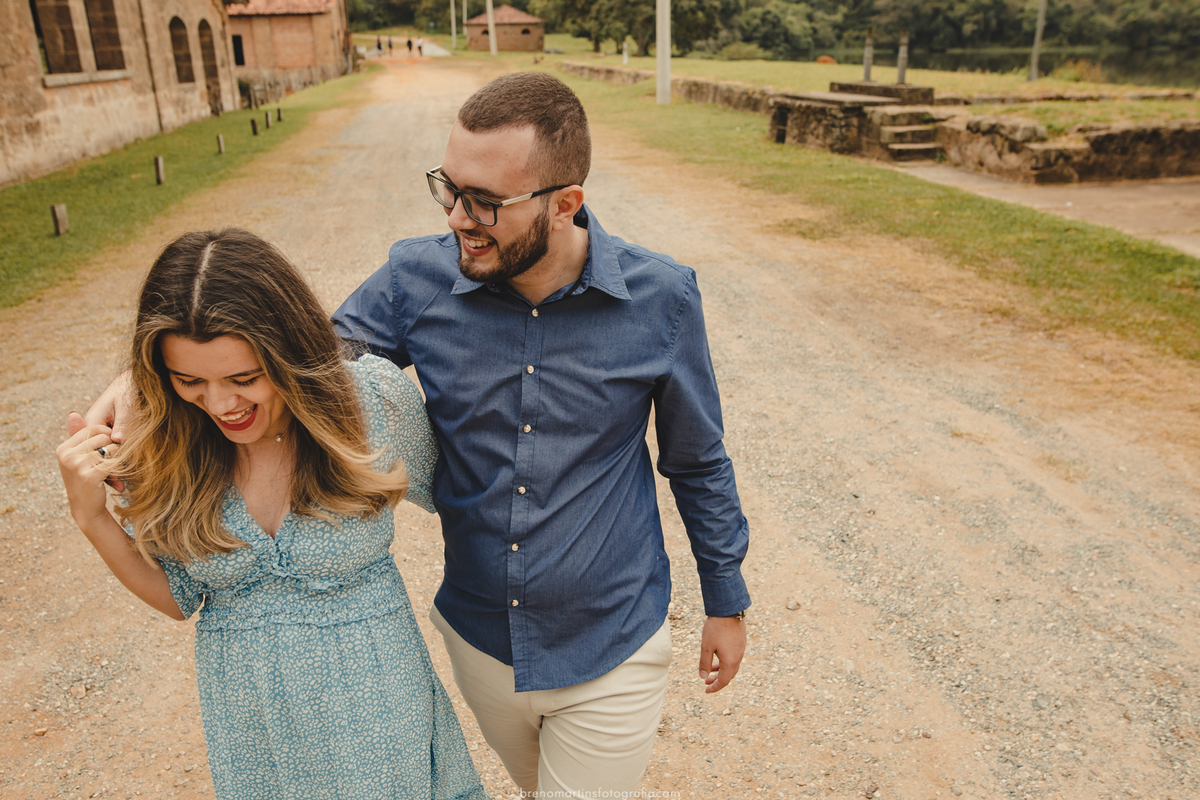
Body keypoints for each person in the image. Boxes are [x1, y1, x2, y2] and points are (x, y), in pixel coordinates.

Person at [332, 73, 751, 795]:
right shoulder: (416, 278)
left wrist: (726, 598)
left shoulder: (663, 298)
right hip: (480, 641)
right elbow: (304, 362)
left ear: (565, 204)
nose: (460, 217)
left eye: (487, 202)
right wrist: (146, 385)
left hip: (613, 643)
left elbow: (697, 459)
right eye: (450, 188)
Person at [64, 229, 489, 800]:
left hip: (377, 709)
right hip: (252, 727)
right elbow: (178, 597)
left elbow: (473, 505)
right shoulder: (164, 440)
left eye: (243, 379)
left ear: (290, 353)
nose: (220, 405)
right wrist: (92, 517)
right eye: (190, 380)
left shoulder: (368, 406)